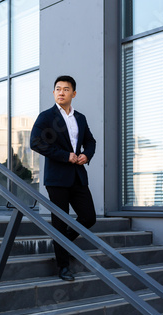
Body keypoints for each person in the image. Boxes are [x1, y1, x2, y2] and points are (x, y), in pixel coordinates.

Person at [30, 75, 97, 281]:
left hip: (77, 176)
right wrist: (64, 155)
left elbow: (90, 141)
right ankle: (63, 266)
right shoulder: (46, 117)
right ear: (53, 93)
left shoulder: (81, 118)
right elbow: (36, 143)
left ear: (73, 93)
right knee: (59, 221)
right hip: (57, 178)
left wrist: (87, 155)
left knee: (89, 217)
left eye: (65, 89)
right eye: (57, 89)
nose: (61, 92)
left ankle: (63, 244)